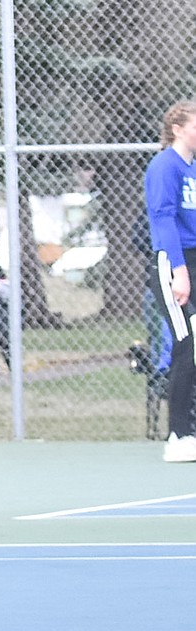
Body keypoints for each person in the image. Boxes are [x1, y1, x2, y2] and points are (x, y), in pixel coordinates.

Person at [144, 99, 196, 462]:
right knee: (186, 343)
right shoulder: (165, 166)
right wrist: (180, 272)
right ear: (178, 129)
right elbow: (162, 220)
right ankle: (178, 435)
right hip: (173, 264)